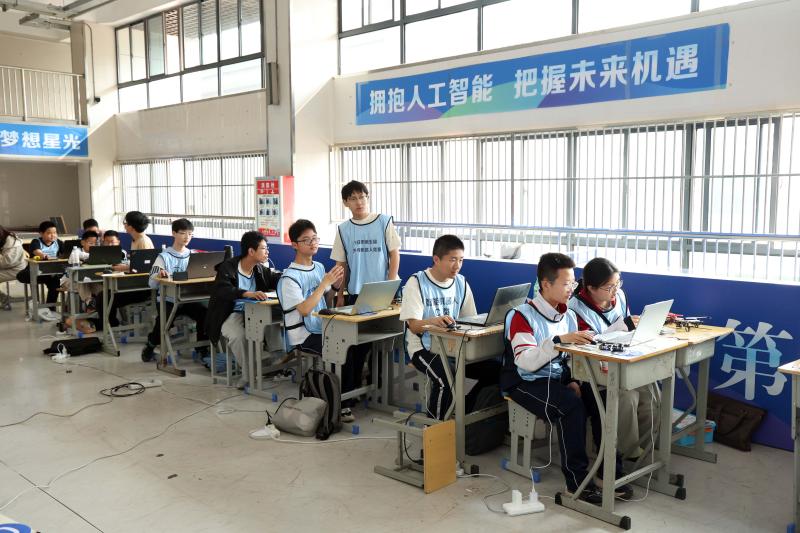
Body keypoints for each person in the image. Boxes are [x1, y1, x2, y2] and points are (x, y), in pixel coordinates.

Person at [502, 252, 631, 504]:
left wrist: (572, 378)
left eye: (573, 283)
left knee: (601, 397)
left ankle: (609, 473)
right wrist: (558, 341)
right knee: (571, 407)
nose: (572, 288)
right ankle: (577, 483)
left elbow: (570, 358)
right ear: (546, 284)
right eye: (566, 283)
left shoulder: (567, 315)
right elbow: (526, 361)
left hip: (557, 378)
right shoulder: (521, 315)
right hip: (525, 381)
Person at [399, 234, 498, 420]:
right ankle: (433, 429)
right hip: (423, 348)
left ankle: (466, 412)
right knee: (446, 380)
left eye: (461, 260)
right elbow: (413, 326)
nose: (457, 265)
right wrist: (432, 321)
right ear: (436, 259)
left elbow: (470, 319)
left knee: (497, 372)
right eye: (452, 259)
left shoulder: (461, 282)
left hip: (454, 348)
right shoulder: (417, 282)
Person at [569, 257, 656, 462]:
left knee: (650, 393)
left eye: (618, 283)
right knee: (627, 397)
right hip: (592, 371)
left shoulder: (620, 296)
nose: (615, 290)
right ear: (591, 288)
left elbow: (627, 329)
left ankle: (647, 444)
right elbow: (586, 344)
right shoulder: (575, 309)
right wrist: (618, 328)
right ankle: (628, 453)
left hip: (622, 361)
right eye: (609, 287)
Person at [330, 180, 402, 414]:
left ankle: (377, 390)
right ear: (345, 203)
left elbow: (394, 255)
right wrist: (340, 294)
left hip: (382, 293)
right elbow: (341, 265)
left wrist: (390, 286)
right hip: (356, 294)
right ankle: (349, 396)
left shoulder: (384, 221)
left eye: (362, 197)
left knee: (380, 344)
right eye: (353, 198)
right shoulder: (344, 229)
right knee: (354, 347)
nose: (359, 202)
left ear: (367, 198)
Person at [276, 220, 348, 416]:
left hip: (321, 327)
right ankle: (337, 402)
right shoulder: (289, 278)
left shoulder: (318, 267)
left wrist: (334, 287)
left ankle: (346, 397)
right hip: (304, 335)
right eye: (306, 240)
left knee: (355, 345)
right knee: (343, 349)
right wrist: (324, 283)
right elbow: (305, 309)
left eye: (315, 238)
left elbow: (325, 301)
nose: (313, 243)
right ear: (294, 244)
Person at [206, 231, 281, 388]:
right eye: (264, 248)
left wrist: (289, 277)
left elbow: (276, 279)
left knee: (272, 320)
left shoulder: (260, 269)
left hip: (254, 312)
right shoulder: (228, 267)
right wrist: (247, 293)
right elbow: (223, 289)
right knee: (237, 336)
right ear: (251, 251)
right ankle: (248, 374)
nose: (267, 252)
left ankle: (277, 360)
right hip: (229, 313)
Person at [140, 218, 209, 362]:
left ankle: (201, 348)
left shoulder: (193, 255)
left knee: (205, 314)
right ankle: (151, 344)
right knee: (165, 322)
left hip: (188, 298)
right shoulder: (163, 257)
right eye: (183, 233)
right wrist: (159, 275)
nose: (187, 237)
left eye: (190, 234)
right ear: (173, 233)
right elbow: (151, 283)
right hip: (168, 299)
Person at [16, 221, 64, 319]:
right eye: (49, 233)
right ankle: (35, 307)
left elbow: (66, 253)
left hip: (51, 272)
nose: (53, 235)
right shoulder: (36, 242)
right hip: (35, 270)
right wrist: (43, 255)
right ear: (41, 233)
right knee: (21, 275)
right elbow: (37, 251)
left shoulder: (58, 242)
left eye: (55, 232)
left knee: (55, 283)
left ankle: (50, 309)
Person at [0, 225, 26, 308]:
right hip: (9, 267)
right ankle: (4, 298)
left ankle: (4, 299)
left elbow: (8, 262)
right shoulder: (5, 238)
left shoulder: (11, 241)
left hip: (16, 270)